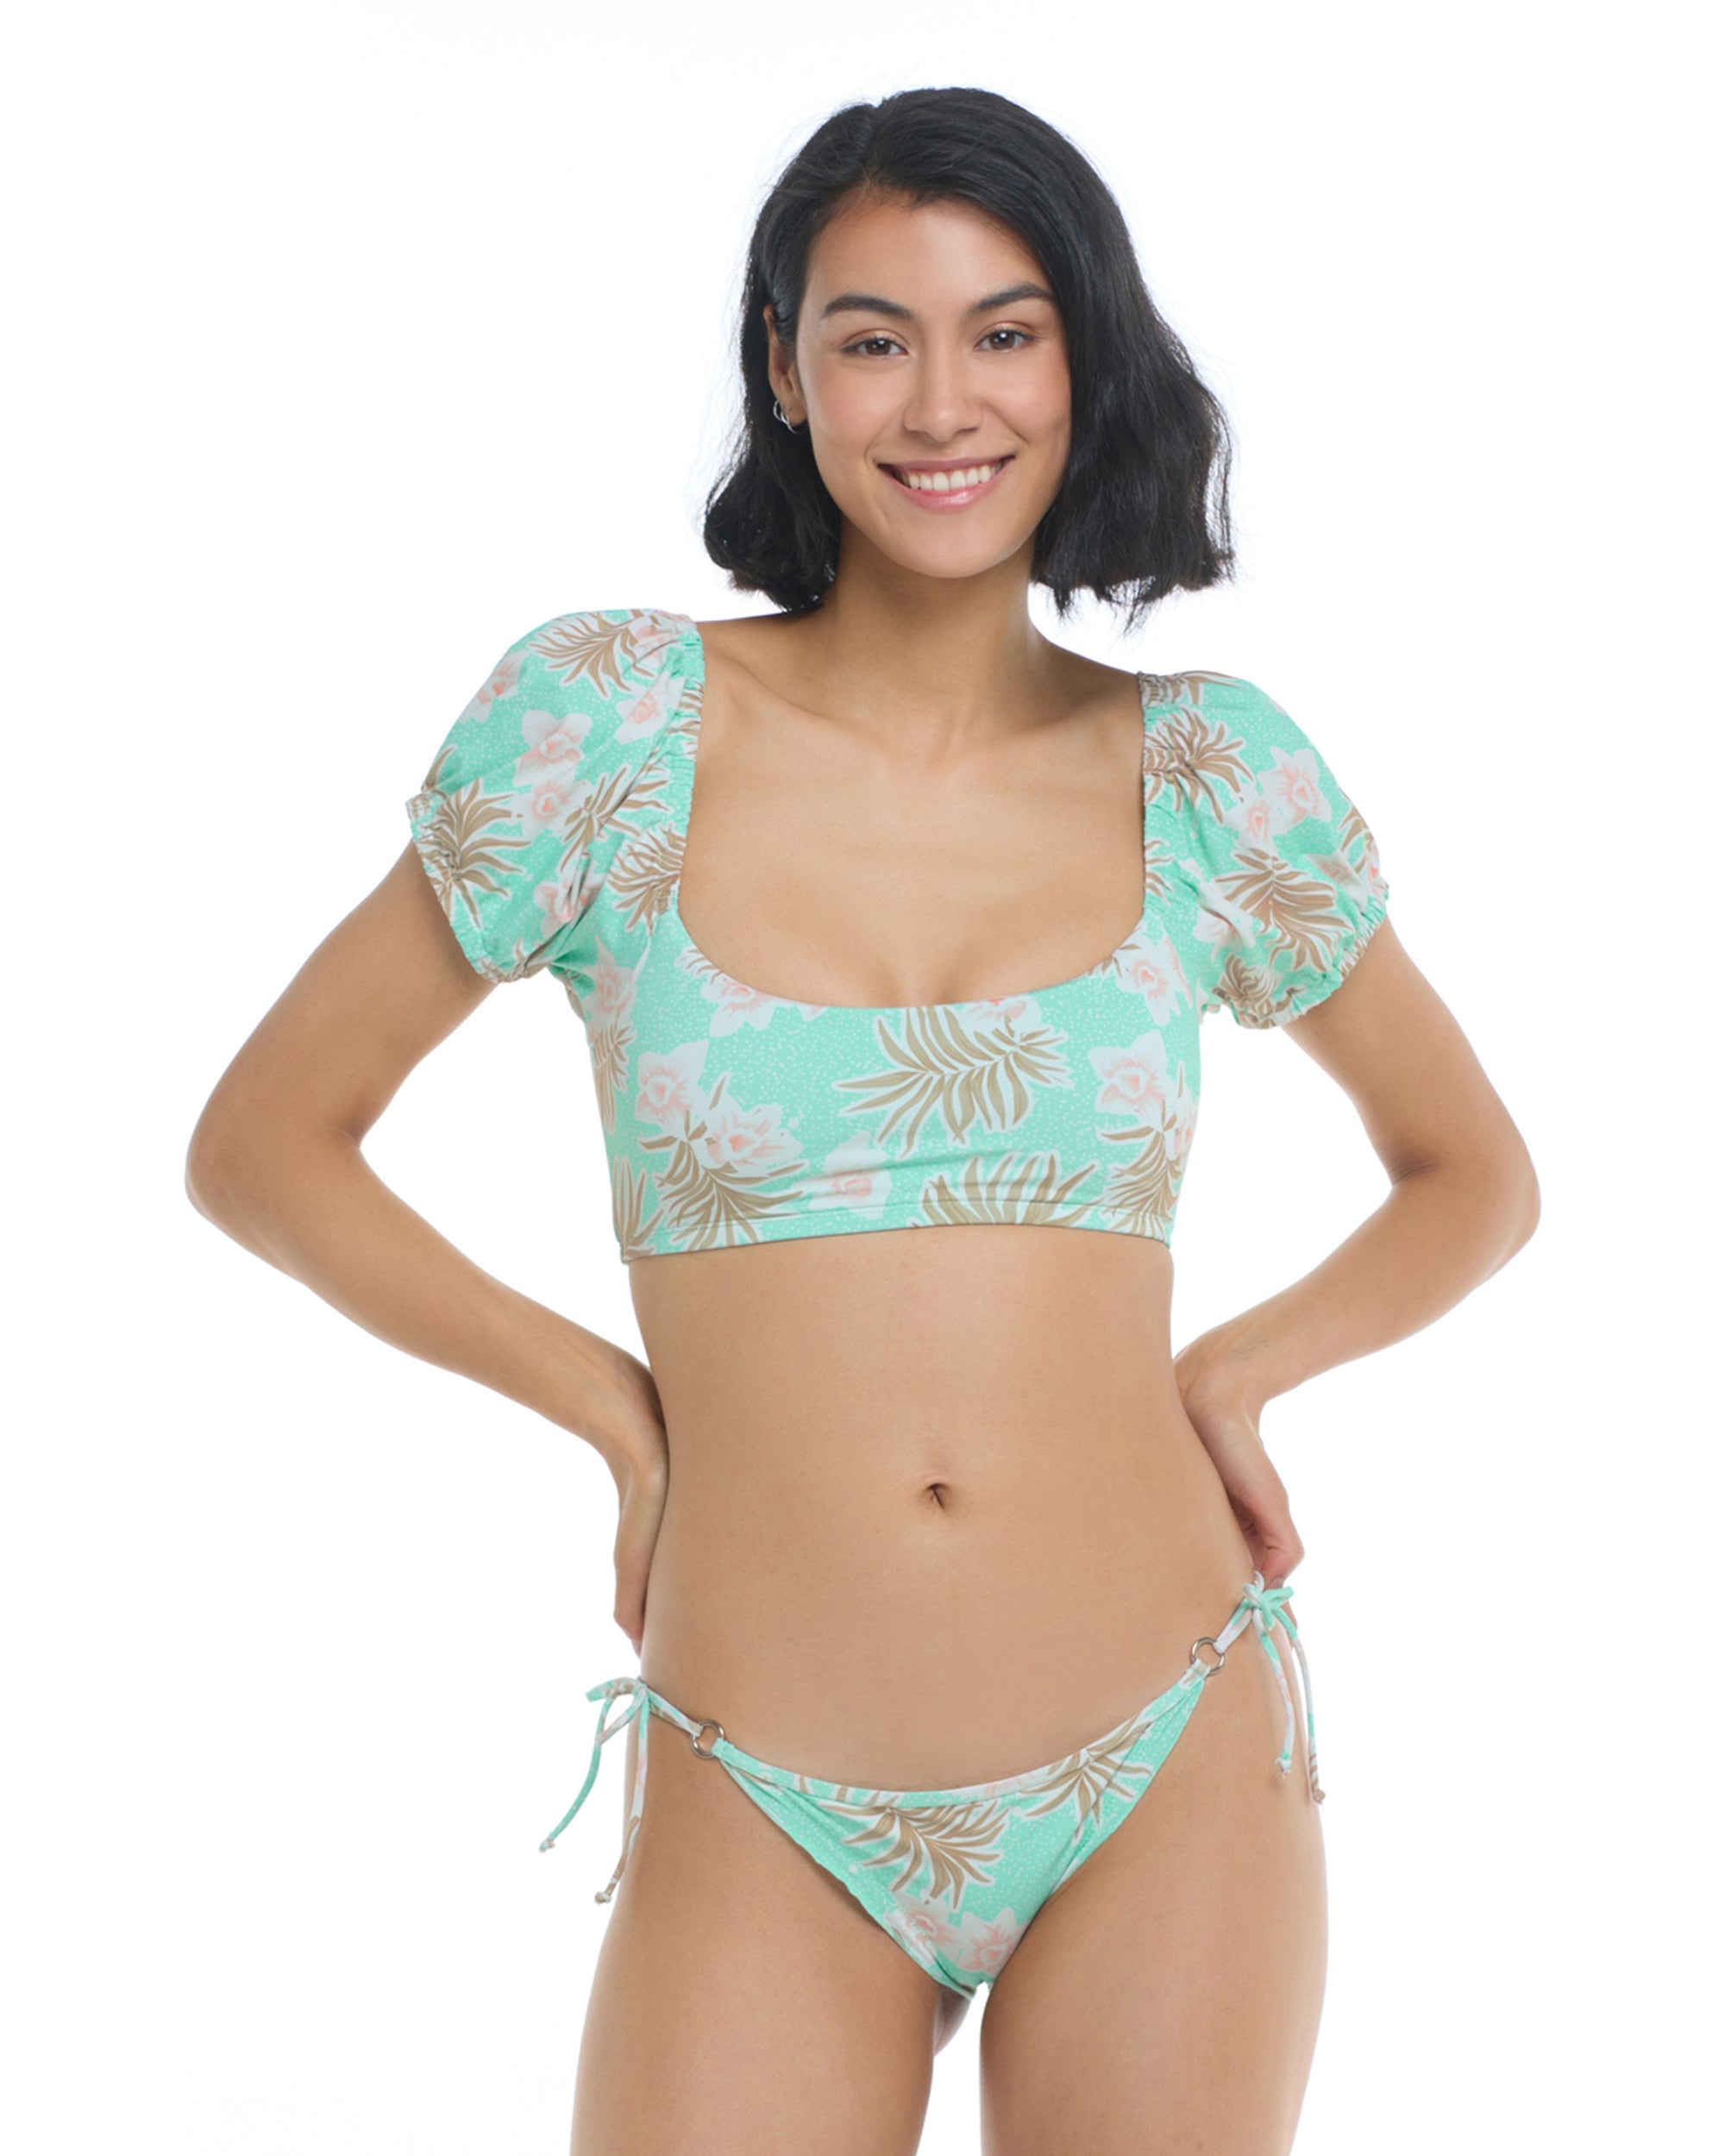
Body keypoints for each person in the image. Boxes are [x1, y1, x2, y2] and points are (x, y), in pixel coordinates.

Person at [186, 85, 1539, 2156]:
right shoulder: (609, 726)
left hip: (1166, 1732)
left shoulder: (1210, 773)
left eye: (1005, 331)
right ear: (781, 365)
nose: (941, 402)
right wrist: (616, 1410)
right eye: (871, 335)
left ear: (1083, 359)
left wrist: (1239, 1368)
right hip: (759, 1758)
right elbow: (267, 1138)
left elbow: (1475, 1175)